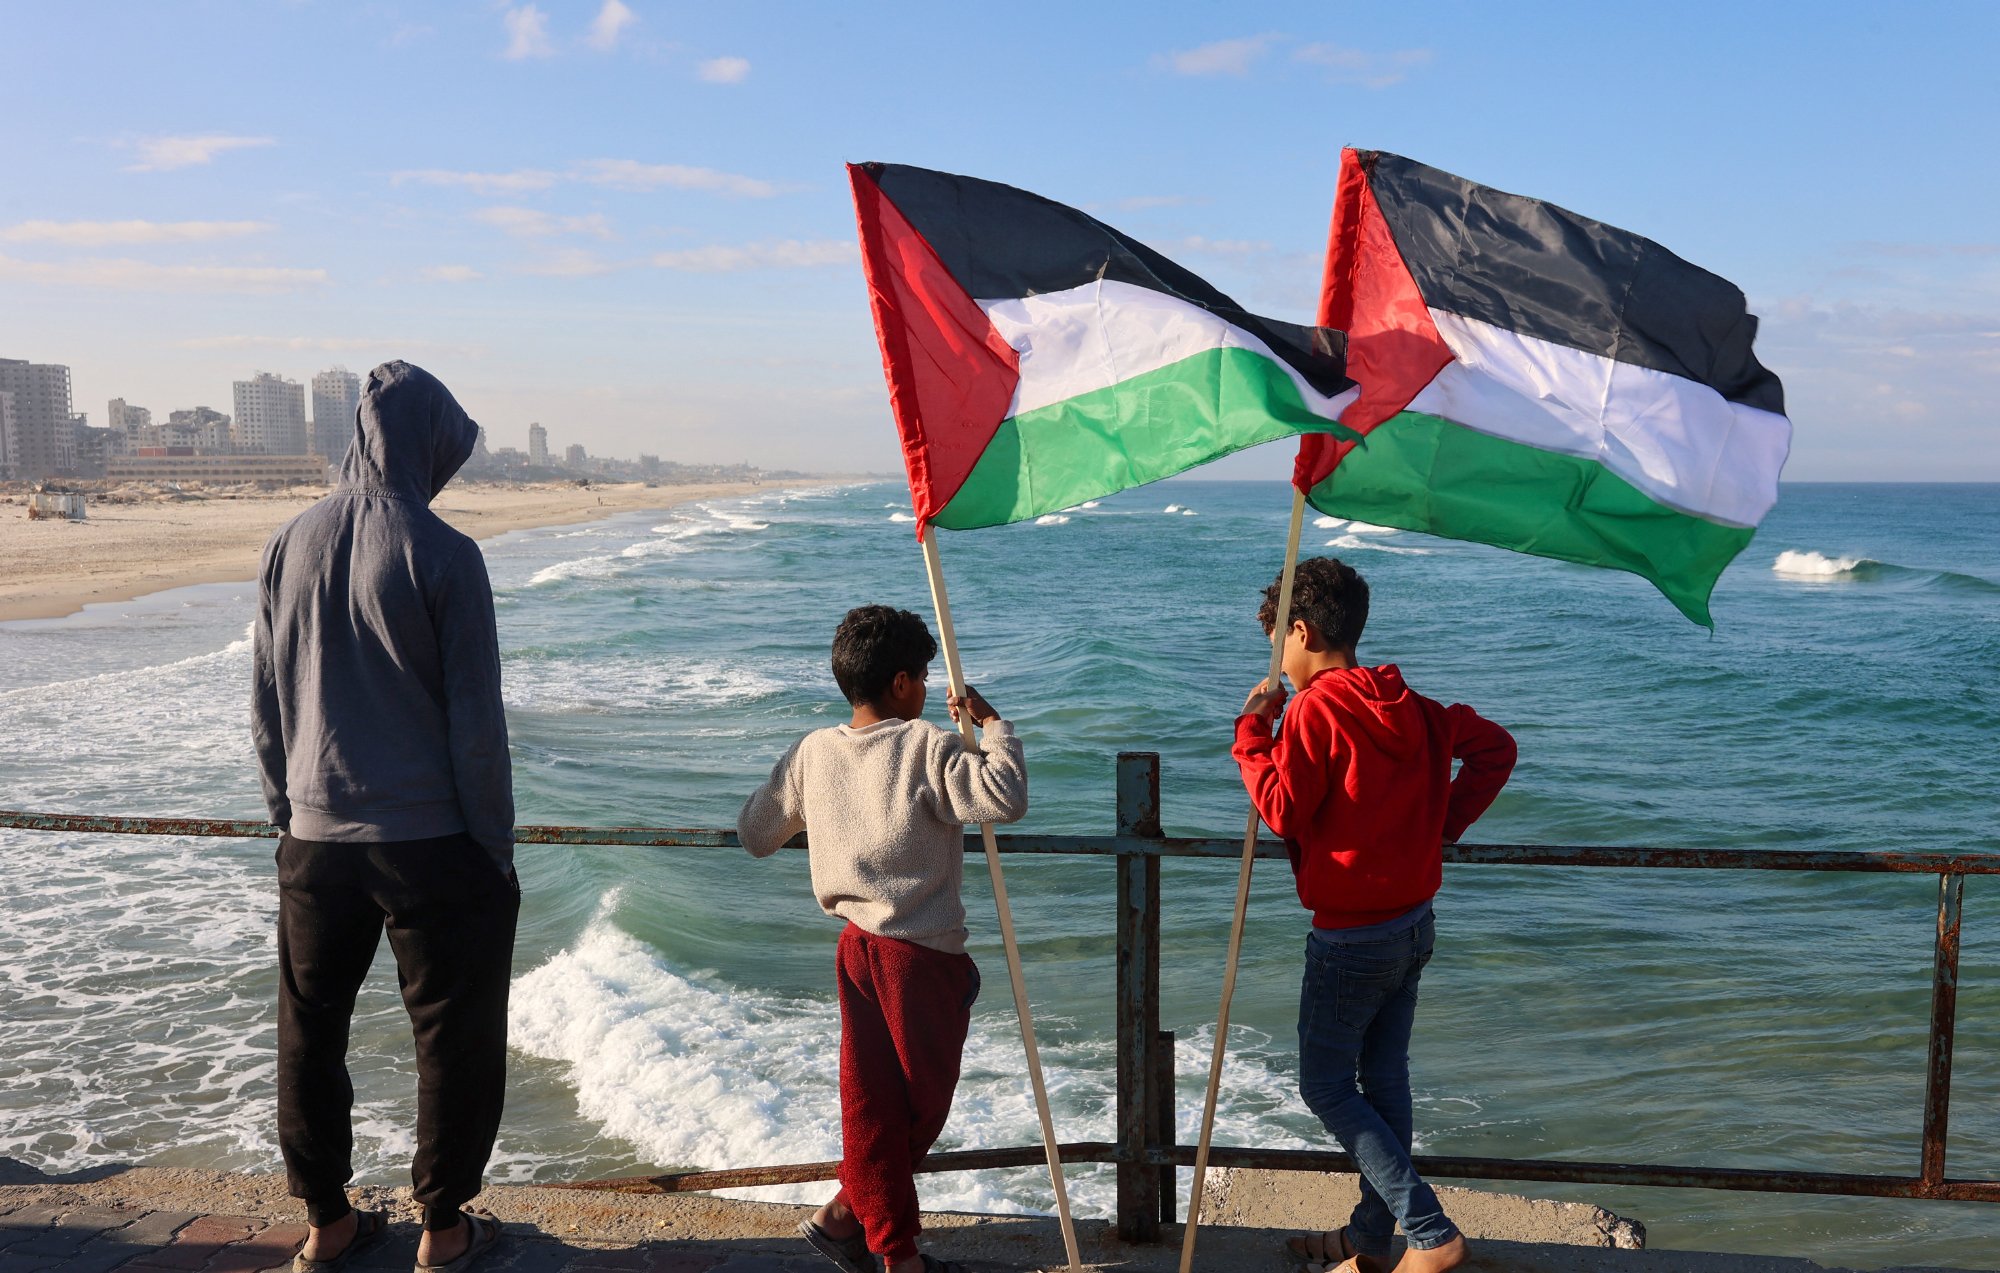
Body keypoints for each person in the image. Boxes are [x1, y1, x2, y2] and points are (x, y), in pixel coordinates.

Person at [251, 361, 516, 1273]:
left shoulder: (288, 542)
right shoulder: (445, 554)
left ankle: (326, 1221)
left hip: (315, 840)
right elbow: (476, 728)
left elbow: (268, 702)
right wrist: (493, 846)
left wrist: (291, 813)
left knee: (309, 1029)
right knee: (453, 1031)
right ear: (427, 443)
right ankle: (443, 1229)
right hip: (432, 843)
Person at [1233, 558, 1515, 1273]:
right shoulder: (1414, 705)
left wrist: (1251, 732)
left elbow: (1283, 809)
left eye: (1277, 646)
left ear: (1300, 630)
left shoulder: (1314, 709)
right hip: (1412, 924)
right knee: (1384, 1080)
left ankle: (1429, 1231)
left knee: (1326, 1085)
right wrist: (1439, 827)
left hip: (1350, 937)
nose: (1278, 664)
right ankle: (1368, 1238)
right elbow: (1496, 749)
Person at [737, 605, 1028, 1273]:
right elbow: (1003, 795)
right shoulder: (926, 744)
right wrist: (992, 725)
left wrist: (817, 803)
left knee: (872, 1103)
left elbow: (756, 832)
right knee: (916, 1109)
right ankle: (894, 1254)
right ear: (901, 683)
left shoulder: (815, 749)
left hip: (855, 947)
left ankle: (847, 1219)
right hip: (919, 953)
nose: (928, 688)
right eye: (923, 676)